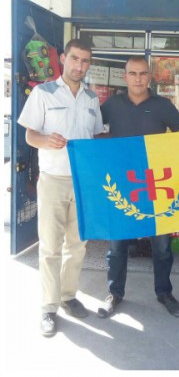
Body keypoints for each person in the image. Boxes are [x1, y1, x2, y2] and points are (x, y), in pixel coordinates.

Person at [97, 56, 179, 319]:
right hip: (122, 184)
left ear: (150, 77)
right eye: (133, 73)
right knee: (117, 246)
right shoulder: (110, 105)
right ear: (125, 76)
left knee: (162, 245)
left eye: (143, 73)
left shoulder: (163, 106)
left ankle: (164, 293)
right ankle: (114, 293)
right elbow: (95, 133)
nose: (138, 78)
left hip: (157, 185)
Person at [17, 39, 104, 336]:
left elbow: (95, 138)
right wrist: (46, 141)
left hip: (83, 182)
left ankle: (69, 297)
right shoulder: (43, 92)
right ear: (64, 58)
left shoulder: (92, 99)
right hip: (53, 180)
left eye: (86, 61)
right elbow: (29, 135)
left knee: (77, 247)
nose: (80, 66)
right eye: (75, 59)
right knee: (50, 247)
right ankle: (48, 307)